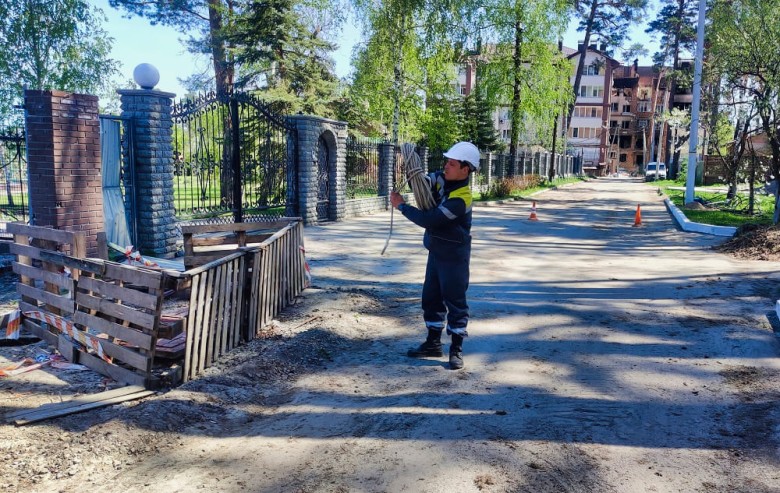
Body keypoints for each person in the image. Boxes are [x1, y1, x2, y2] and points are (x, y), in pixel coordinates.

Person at [389, 141, 480, 370]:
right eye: (446, 161)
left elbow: (430, 220)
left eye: (451, 163)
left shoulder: (462, 198)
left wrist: (402, 206)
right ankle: (432, 344)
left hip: (454, 257)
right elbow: (422, 182)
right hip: (436, 253)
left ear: (465, 169)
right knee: (431, 299)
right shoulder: (441, 178)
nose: (446, 166)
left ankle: (456, 349)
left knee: (455, 302)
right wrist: (411, 170)